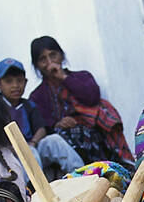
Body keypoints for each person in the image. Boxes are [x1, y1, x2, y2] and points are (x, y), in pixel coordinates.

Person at [29, 36, 134, 167]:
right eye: (43, 59)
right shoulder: (37, 96)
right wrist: (59, 123)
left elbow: (92, 97)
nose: (50, 62)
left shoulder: (83, 77)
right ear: (37, 65)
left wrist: (63, 77)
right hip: (66, 142)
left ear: (61, 55)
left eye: (53, 55)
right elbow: (43, 124)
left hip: (94, 135)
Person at [0, 57, 84, 179]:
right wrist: (18, 148)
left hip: (32, 148)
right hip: (9, 154)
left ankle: (82, 176)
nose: (15, 85)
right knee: (29, 153)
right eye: (9, 81)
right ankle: (35, 191)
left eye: (19, 81)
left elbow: (41, 128)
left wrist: (33, 143)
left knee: (54, 140)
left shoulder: (28, 105)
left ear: (25, 82)